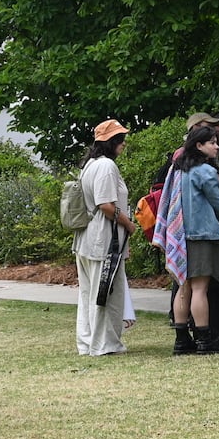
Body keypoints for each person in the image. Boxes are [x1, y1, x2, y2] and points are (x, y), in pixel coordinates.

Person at [167, 124, 219, 355]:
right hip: (203, 234)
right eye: (212, 142)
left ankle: (181, 339)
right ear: (199, 145)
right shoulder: (205, 171)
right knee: (200, 288)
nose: (217, 146)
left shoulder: (180, 169)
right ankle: (205, 339)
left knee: (182, 286)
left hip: (180, 234)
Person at [74, 119, 136, 357]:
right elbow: (105, 205)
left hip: (88, 238)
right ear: (110, 142)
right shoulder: (106, 166)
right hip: (104, 240)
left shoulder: (89, 164)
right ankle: (104, 344)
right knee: (106, 292)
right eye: (120, 139)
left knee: (90, 293)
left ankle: (88, 341)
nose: (123, 143)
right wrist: (128, 223)